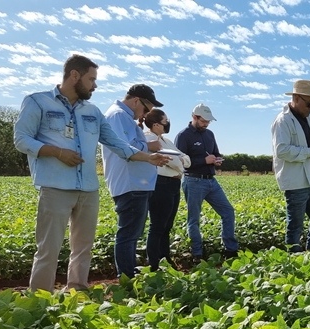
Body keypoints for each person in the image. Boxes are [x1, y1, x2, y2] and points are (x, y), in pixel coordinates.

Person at [13, 54, 169, 292]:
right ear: (74, 75)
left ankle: (77, 290)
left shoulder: (92, 112)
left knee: (83, 246)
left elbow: (117, 144)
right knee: (49, 248)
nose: (95, 85)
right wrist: (56, 152)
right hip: (55, 186)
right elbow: (21, 139)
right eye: (91, 79)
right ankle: (41, 300)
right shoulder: (38, 102)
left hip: (88, 188)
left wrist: (149, 157)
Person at [102, 84, 164, 278]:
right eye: (146, 109)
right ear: (137, 100)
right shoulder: (118, 115)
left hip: (136, 183)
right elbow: (126, 148)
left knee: (131, 233)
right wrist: (150, 146)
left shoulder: (124, 117)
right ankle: (127, 276)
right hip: (130, 183)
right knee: (128, 234)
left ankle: (128, 271)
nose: (145, 115)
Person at [271, 79, 310, 252]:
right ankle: (294, 261)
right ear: (296, 98)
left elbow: (307, 143)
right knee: (295, 225)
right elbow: (282, 150)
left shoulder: (308, 119)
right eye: (309, 103)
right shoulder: (283, 121)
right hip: (296, 182)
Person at [175, 103, 239, 261]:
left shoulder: (209, 134)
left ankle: (230, 250)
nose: (206, 124)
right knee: (194, 219)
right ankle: (197, 254)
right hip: (193, 180)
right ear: (194, 118)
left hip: (211, 181)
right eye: (204, 121)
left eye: (208, 122)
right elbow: (180, 161)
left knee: (228, 212)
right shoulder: (183, 136)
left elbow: (215, 152)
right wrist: (204, 160)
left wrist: (217, 159)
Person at [143, 109, 191, 271]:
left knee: (167, 225)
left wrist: (180, 160)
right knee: (157, 225)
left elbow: (186, 159)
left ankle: (165, 259)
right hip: (160, 184)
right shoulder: (149, 139)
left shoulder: (167, 141)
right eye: (165, 121)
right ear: (156, 124)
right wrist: (180, 161)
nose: (167, 123)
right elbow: (175, 161)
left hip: (173, 184)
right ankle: (154, 263)